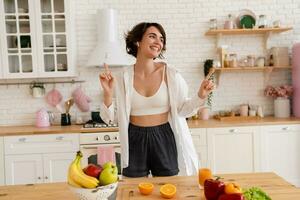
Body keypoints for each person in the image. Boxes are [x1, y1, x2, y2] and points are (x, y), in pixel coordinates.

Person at [99, 22, 214, 177]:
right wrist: (107, 93)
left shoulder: (171, 74)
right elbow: (109, 118)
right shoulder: (122, 77)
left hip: (163, 135)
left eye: (161, 39)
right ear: (137, 41)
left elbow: (183, 110)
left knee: (168, 188)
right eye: (152, 36)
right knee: (135, 190)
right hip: (134, 137)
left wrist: (201, 95)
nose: (158, 42)